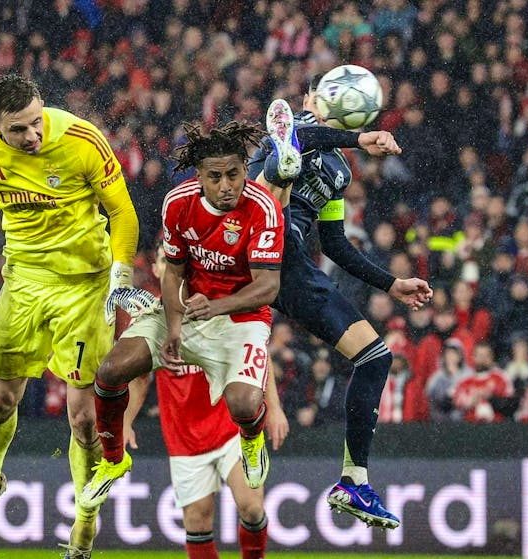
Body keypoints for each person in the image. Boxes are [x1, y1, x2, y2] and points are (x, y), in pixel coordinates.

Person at [0, 74, 150, 559]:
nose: (34, 136)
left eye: (37, 122)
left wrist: (121, 275)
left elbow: (123, 213)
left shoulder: (83, 140)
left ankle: (84, 527)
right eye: (19, 129)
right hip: (23, 283)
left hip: (86, 287)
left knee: (85, 419)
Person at [81, 106, 298, 513]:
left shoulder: (262, 207)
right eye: (214, 177)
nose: (226, 185)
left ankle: (251, 441)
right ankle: (112, 461)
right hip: (186, 311)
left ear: (244, 171)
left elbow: (268, 287)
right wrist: (175, 324)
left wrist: (214, 305)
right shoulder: (177, 204)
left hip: (240, 318)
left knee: (244, 405)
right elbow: (173, 271)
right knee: (109, 373)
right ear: (198, 175)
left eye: (233, 174)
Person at [247, 76, 430, 529]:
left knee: (376, 357)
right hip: (249, 239)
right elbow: (305, 134)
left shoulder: (339, 172)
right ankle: (276, 179)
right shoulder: (295, 125)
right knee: (285, 156)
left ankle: (353, 481)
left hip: (290, 266)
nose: (320, 101)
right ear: (309, 98)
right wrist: (358, 139)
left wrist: (391, 284)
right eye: (316, 94)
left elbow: (334, 244)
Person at [123, 248, 290, 559]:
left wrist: (275, 408)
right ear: (158, 270)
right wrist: (126, 421)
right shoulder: (151, 320)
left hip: (229, 426)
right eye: (163, 259)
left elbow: (253, 353)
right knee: (197, 521)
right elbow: (138, 377)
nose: (171, 264)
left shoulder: (213, 302)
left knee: (252, 508)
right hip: (184, 435)